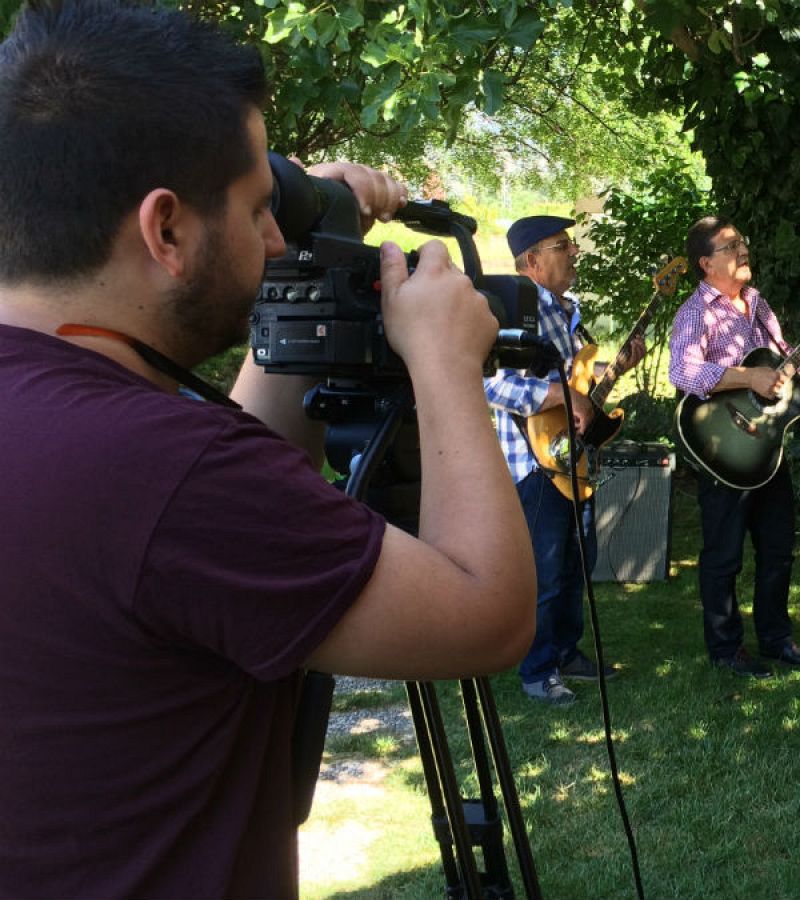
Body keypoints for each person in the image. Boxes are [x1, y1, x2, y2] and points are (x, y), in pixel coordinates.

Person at [0, 2, 537, 895]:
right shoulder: (165, 469)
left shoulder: (105, 445)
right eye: (259, 211)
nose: (278, 242)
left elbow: (197, 531)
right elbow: (488, 614)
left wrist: (292, 246)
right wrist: (445, 362)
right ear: (164, 229)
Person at [667, 216, 800, 677]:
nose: (742, 250)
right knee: (724, 555)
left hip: (766, 446)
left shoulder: (758, 304)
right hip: (723, 448)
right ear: (706, 263)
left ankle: (776, 640)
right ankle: (726, 650)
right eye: (730, 247)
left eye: (742, 242)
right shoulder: (694, 313)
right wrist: (748, 377)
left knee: (778, 548)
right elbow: (684, 373)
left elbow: (787, 370)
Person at [485, 215, 645, 706]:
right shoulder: (511, 310)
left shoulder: (567, 312)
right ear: (531, 261)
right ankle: (537, 670)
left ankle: (566, 652)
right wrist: (560, 395)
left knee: (579, 564)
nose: (574, 253)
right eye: (562, 246)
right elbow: (491, 382)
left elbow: (577, 383)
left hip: (570, 459)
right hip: (533, 463)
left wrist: (613, 368)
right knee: (548, 571)